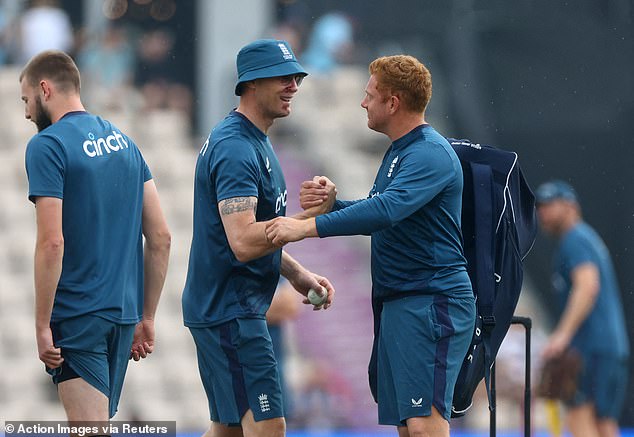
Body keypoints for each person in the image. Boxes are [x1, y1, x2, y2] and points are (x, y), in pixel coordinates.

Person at [265, 55, 476, 436]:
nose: (363, 103)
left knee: (425, 424)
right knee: (409, 427)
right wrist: (335, 205)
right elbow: (381, 209)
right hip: (403, 302)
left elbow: (387, 210)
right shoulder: (401, 151)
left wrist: (306, 227)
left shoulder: (429, 152)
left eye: (370, 95)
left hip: (429, 301)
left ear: (392, 103)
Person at [181, 39, 335, 437]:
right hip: (232, 311)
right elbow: (244, 242)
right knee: (269, 428)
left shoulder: (253, 141)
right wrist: (309, 219)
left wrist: (299, 275)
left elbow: (259, 233)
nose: (294, 86)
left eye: (297, 77)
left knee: (228, 430)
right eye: (284, 77)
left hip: (226, 308)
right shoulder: (236, 148)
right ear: (251, 83)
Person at [21, 50, 171, 421]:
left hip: (78, 314)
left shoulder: (48, 145)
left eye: (25, 100)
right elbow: (161, 236)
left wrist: (42, 325)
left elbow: (52, 242)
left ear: (44, 89)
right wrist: (146, 315)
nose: (26, 113)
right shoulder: (124, 142)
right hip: (123, 314)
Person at [535, 180, 629, 437]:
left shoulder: (574, 238)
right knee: (604, 423)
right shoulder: (586, 237)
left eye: (550, 204)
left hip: (590, 348)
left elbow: (587, 286)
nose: (543, 212)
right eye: (540, 206)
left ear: (571, 206)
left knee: (579, 419)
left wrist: (562, 336)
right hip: (610, 346)